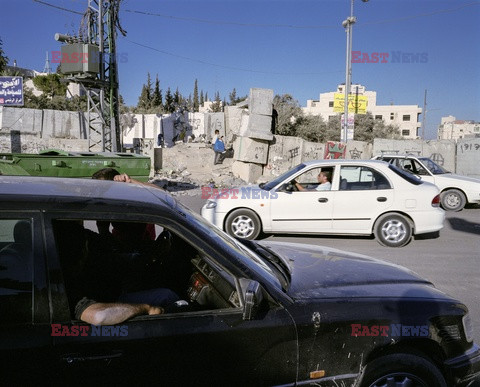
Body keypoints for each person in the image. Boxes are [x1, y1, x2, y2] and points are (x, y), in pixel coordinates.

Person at [56, 220, 179, 326]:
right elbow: (100, 316)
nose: (85, 252)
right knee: (168, 297)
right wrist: (147, 308)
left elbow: (113, 254)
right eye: (84, 250)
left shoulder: (82, 237)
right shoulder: (67, 287)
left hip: (113, 290)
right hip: (110, 302)